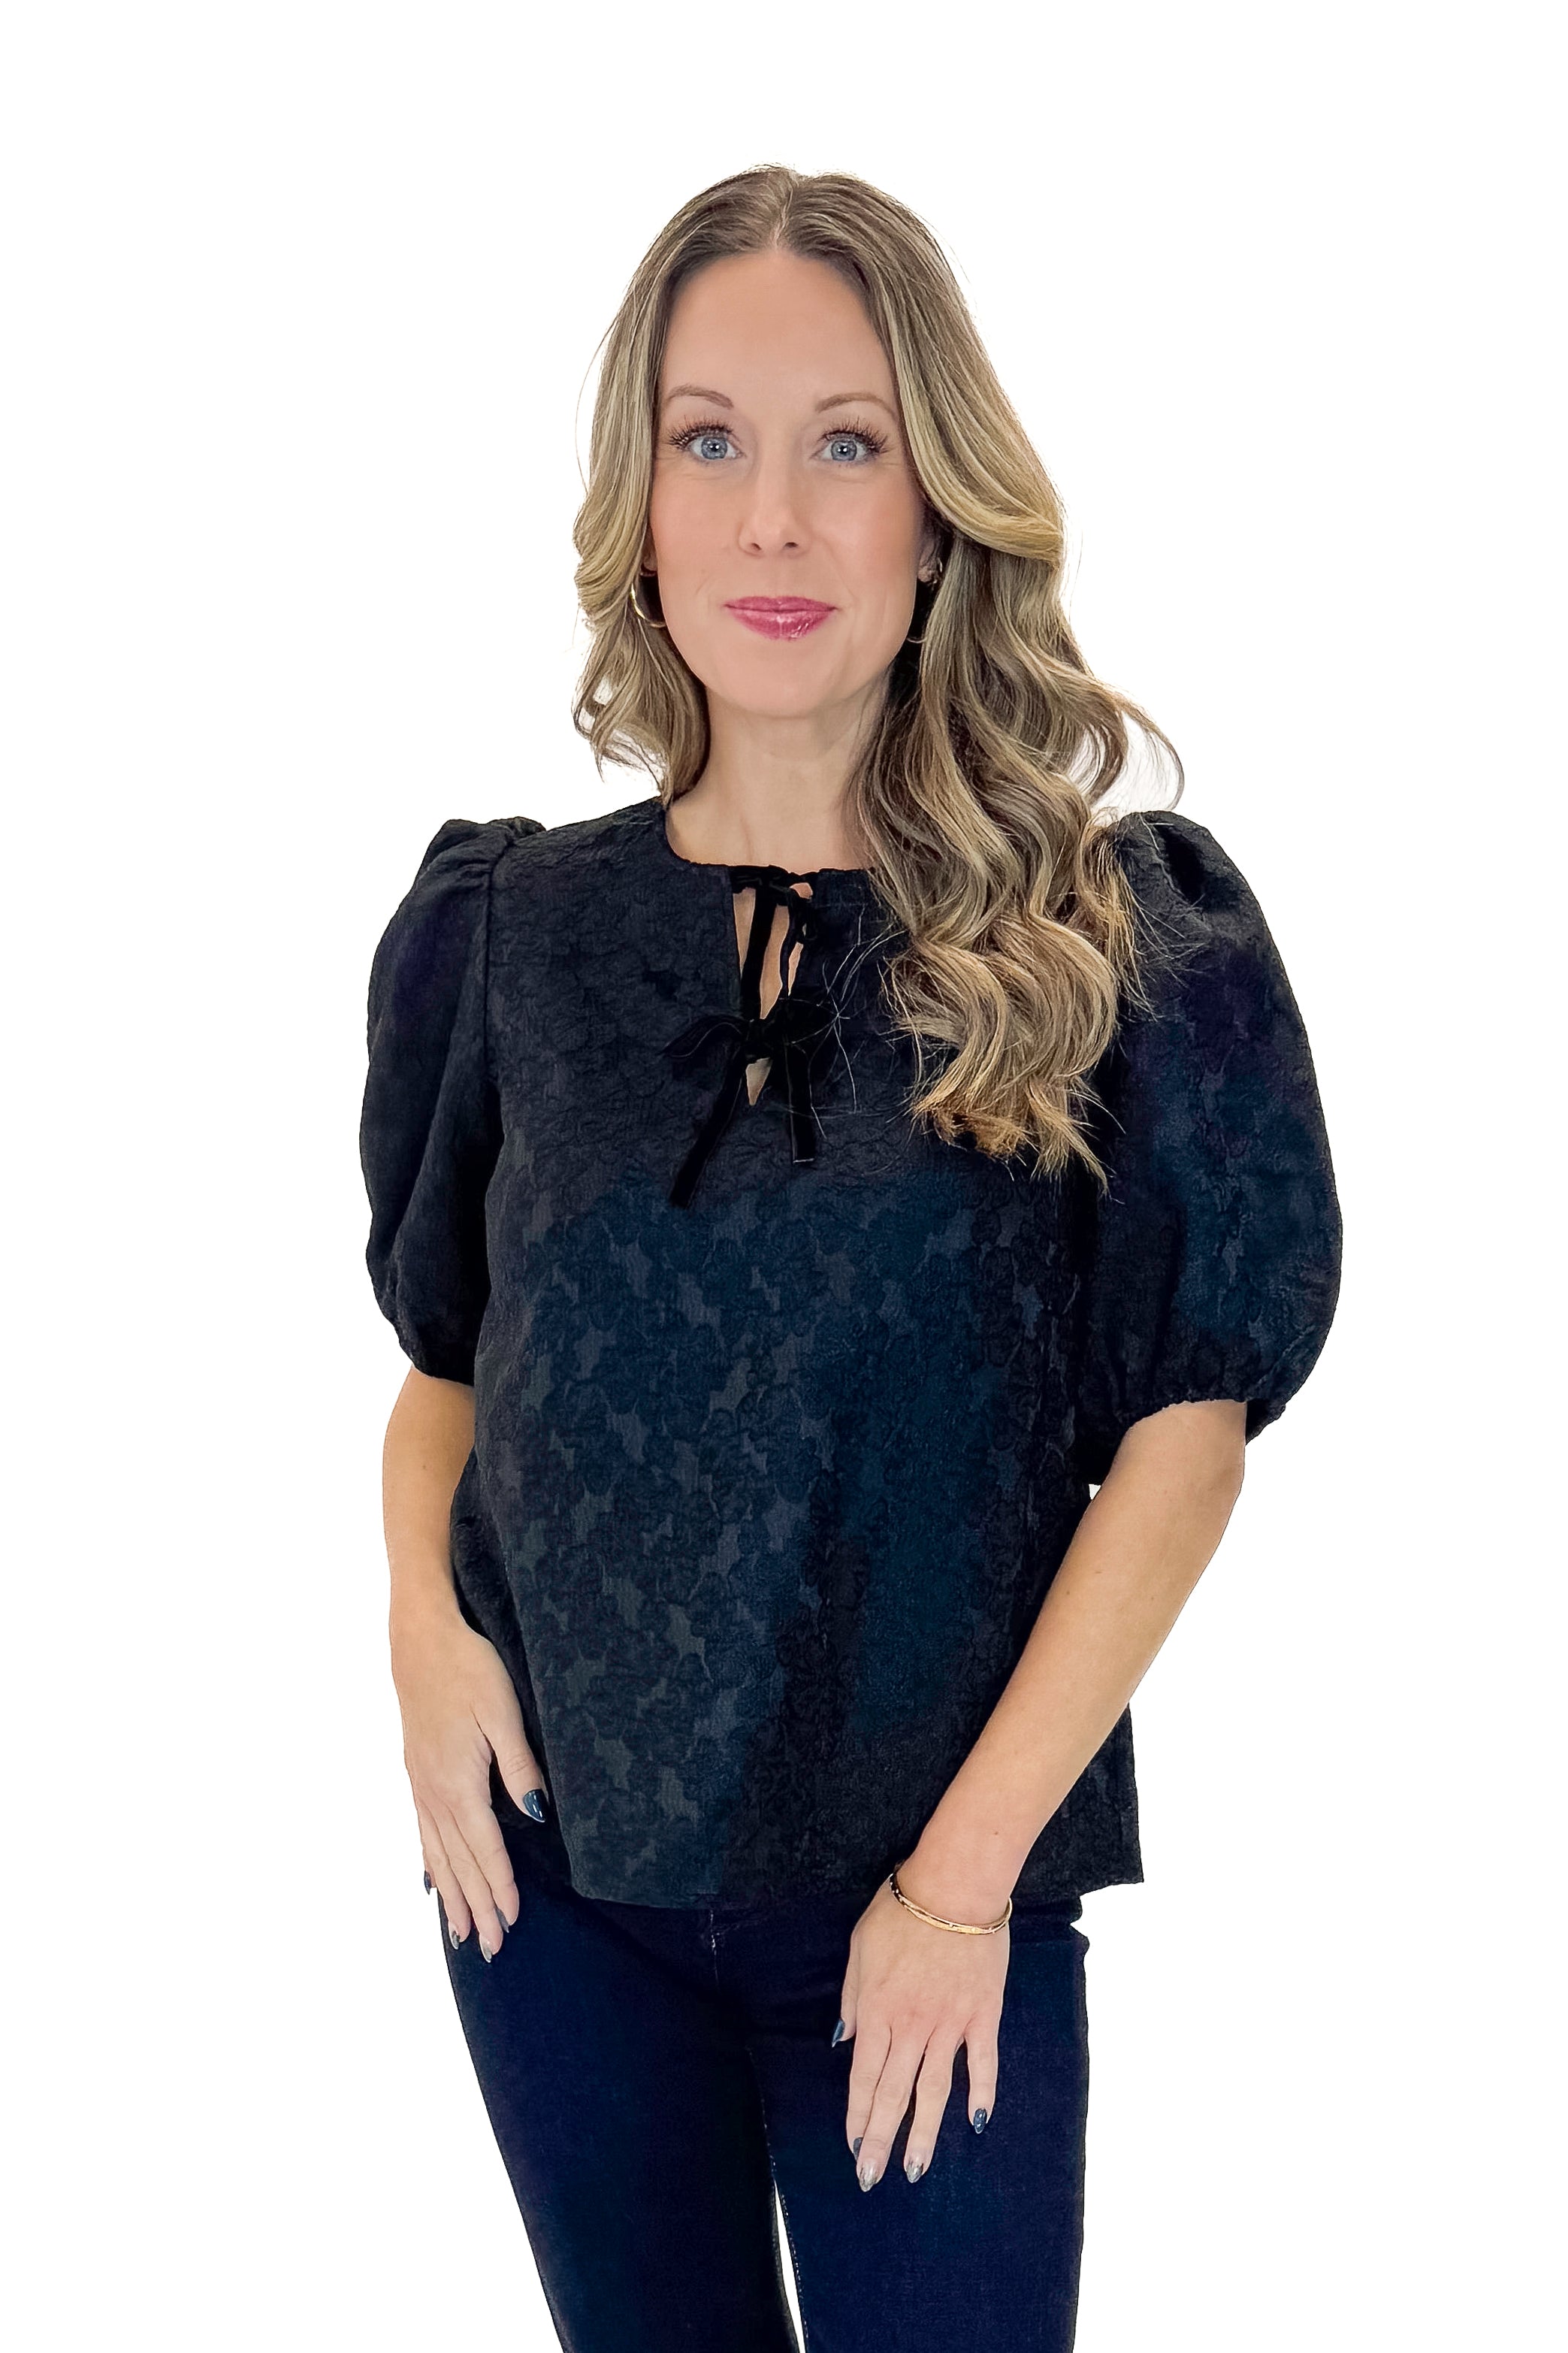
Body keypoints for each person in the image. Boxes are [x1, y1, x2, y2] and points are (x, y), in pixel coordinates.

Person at [358, 164, 1342, 2352]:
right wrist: (421, 1638)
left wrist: (960, 1881)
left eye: (846, 442)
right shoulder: (512, 933)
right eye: (710, 441)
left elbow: (1187, 1438)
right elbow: (450, 1363)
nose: (775, 523)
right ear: (640, 500)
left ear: (940, 502)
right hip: (555, 1892)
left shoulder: (1111, 929)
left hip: (934, 1896)